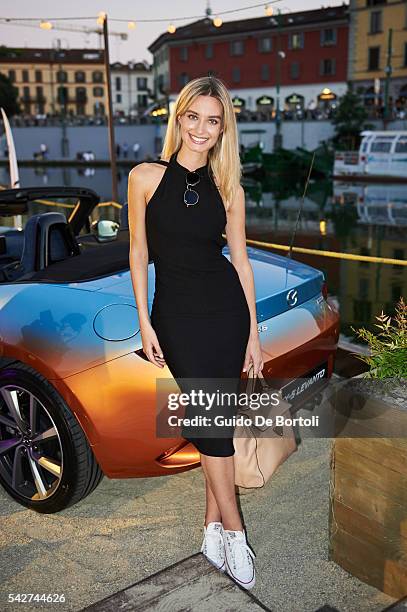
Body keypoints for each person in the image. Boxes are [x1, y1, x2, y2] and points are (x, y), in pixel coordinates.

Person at [127, 76, 263, 590]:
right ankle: (236, 532)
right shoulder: (145, 177)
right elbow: (138, 253)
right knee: (210, 424)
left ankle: (212, 530)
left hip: (226, 313)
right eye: (193, 117)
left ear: (222, 127)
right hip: (176, 318)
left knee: (215, 425)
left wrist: (252, 332)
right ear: (178, 118)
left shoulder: (230, 187)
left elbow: (242, 262)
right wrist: (144, 320)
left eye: (213, 120)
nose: (202, 129)